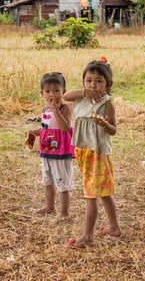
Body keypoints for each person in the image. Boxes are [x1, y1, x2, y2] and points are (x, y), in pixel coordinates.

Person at [63, 58, 121, 248]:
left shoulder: (106, 104)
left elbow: (113, 130)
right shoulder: (80, 98)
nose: (93, 85)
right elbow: (65, 95)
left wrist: (105, 124)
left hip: (96, 154)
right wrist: (83, 92)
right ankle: (114, 227)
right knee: (103, 192)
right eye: (88, 80)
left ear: (108, 84)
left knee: (91, 195)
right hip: (83, 153)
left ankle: (87, 236)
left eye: (98, 81)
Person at [25, 72, 74, 221]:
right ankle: (49, 207)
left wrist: (55, 110)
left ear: (63, 91)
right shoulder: (44, 110)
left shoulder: (65, 109)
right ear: (42, 93)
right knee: (48, 180)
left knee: (62, 182)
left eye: (56, 91)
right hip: (46, 150)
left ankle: (64, 211)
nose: (51, 94)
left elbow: (64, 127)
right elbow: (46, 129)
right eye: (47, 91)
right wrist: (34, 132)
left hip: (60, 151)